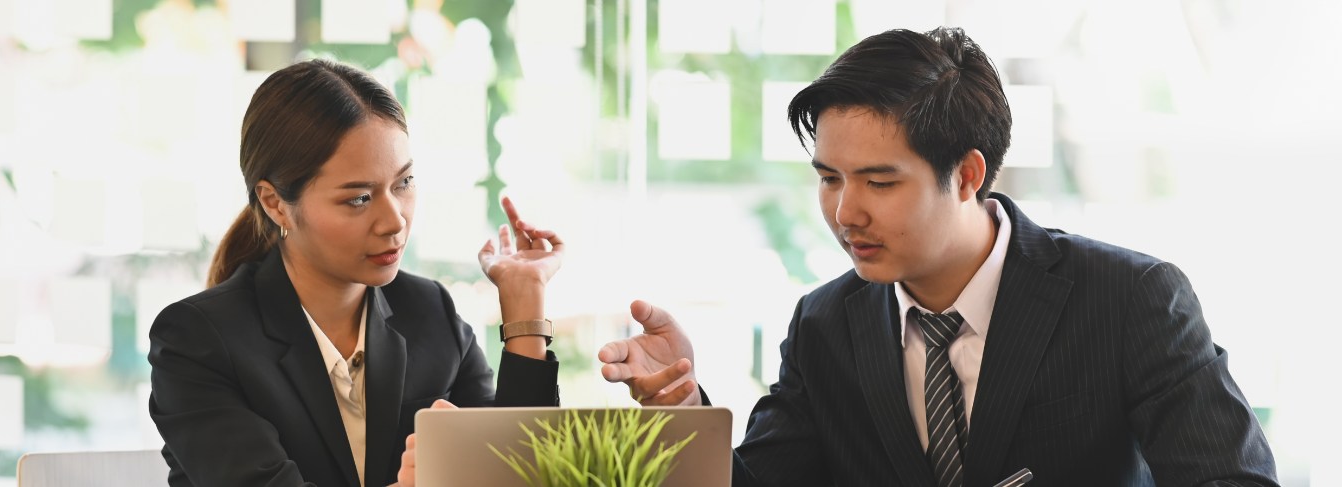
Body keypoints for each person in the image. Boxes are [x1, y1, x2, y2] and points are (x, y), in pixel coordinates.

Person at [598, 27, 1278, 486]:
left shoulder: (1131, 298)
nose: (845, 212)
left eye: (880, 181)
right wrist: (684, 403)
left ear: (969, 173)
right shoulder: (826, 323)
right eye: (829, 178)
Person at [148, 59, 565, 487]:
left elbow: (524, 472)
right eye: (359, 198)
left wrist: (524, 304)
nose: (394, 221)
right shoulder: (197, 340)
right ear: (275, 203)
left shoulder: (429, 313)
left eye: (403, 183)